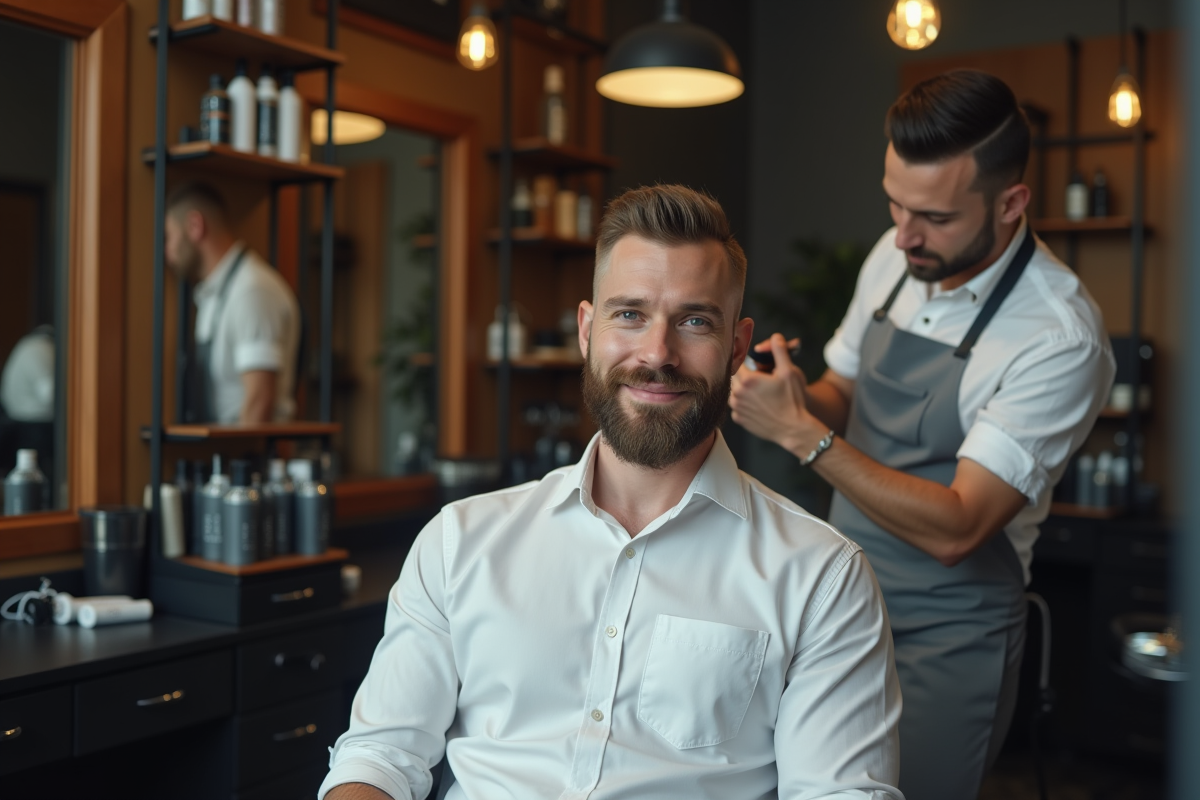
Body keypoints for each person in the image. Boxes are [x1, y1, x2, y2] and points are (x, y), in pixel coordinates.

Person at [320, 185, 902, 800]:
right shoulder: (458, 542)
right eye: (629, 314)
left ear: (736, 347)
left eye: (695, 321)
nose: (657, 353)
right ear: (587, 330)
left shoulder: (821, 576)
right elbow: (382, 754)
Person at [730, 70, 1116, 799]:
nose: (905, 235)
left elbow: (959, 527)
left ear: (1011, 203)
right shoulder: (896, 256)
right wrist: (788, 392)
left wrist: (801, 435)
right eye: (894, 205)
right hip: (840, 594)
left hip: (951, 635)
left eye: (934, 218)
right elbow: (843, 391)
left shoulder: (1058, 337)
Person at [164, 182, 299, 424]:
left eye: (170, 237)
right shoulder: (214, 292)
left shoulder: (252, 290)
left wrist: (235, 460)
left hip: (249, 458)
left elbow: (259, 401)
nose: (168, 251)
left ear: (195, 227)